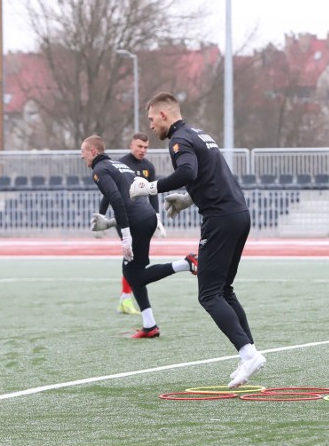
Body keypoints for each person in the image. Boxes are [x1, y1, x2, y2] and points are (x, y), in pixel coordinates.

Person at [129, 92, 265, 388]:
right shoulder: (199, 134)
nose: (151, 126)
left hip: (220, 219)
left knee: (208, 294)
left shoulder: (180, 140)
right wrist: (189, 199)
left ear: (164, 115)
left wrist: (150, 188)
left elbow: (188, 171)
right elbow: (210, 176)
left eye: (152, 119)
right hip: (239, 214)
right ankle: (249, 354)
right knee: (224, 290)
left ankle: (249, 354)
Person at [81, 134, 197, 338]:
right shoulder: (119, 165)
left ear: (93, 152)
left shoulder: (100, 170)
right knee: (134, 272)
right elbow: (128, 199)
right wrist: (108, 222)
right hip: (146, 218)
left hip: (136, 223)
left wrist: (125, 236)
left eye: (83, 153)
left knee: (133, 275)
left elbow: (116, 198)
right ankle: (149, 325)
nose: (83, 158)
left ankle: (185, 263)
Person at [97, 133, 167, 315]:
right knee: (132, 259)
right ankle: (126, 299)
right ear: (131, 146)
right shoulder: (120, 164)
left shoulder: (148, 167)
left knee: (135, 261)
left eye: (146, 147)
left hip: (143, 217)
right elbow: (108, 193)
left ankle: (126, 299)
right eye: (139, 147)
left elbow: (152, 192)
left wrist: (157, 217)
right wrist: (100, 216)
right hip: (126, 219)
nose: (142, 150)